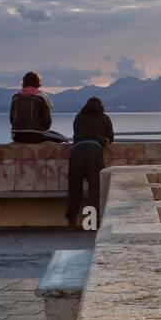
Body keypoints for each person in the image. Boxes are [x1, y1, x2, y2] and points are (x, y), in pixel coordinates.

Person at [66, 96, 114, 228]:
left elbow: (75, 135)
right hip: (94, 151)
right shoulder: (104, 118)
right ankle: (93, 222)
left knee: (74, 186)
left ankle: (71, 220)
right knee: (95, 187)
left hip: (77, 151)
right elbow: (111, 137)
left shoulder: (79, 117)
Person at [9, 71, 65, 143]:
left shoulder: (15, 97)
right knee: (64, 139)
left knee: (53, 134)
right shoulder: (42, 97)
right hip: (35, 135)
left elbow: (11, 119)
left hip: (17, 136)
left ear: (24, 82)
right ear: (38, 82)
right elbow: (47, 121)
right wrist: (43, 130)